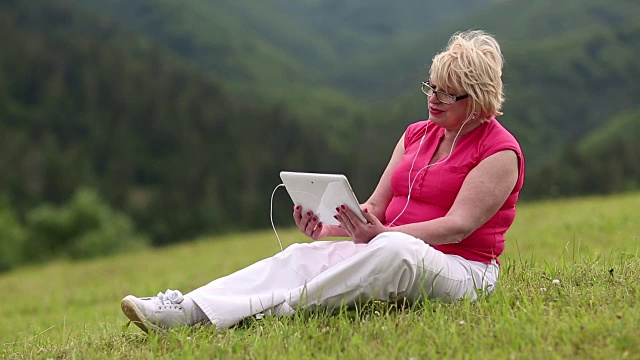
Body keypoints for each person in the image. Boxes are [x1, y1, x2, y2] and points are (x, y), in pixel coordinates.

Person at [120, 30, 525, 333]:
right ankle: (187, 309)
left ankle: (260, 312)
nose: (432, 98)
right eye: (431, 88)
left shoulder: (499, 152)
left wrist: (383, 234)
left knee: (395, 250)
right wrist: (333, 227)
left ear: (476, 99)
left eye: (446, 94)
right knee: (299, 256)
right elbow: (374, 208)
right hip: (389, 244)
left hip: (466, 271)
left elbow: (459, 227)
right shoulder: (416, 134)